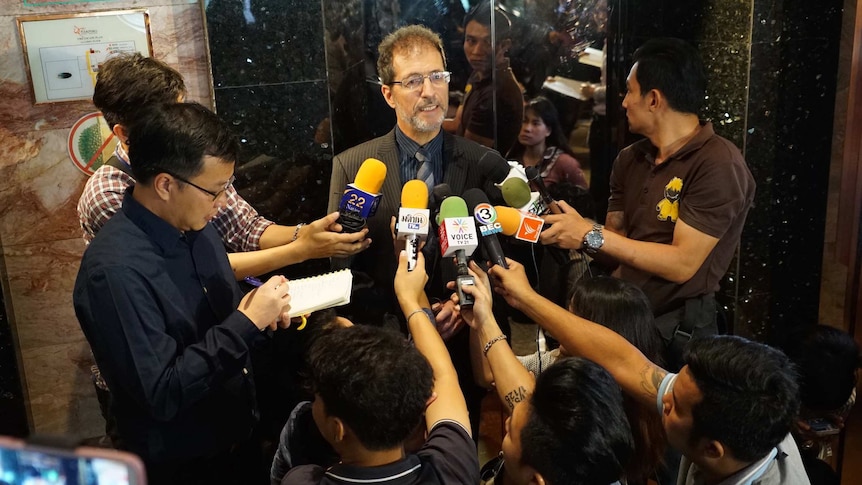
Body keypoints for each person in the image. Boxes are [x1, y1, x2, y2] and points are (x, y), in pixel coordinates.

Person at [73, 102, 293, 484]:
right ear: (165, 184)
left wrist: (262, 313)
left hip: (238, 438)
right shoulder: (114, 272)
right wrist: (246, 322)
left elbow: (220, 318)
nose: (223, 202)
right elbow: (162, 391)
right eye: (216, 191)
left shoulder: (196, 225)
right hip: (180, 462)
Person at [490, 258, 811, 485]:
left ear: (712, 450)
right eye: (674, 384)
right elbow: (624, 361)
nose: (664, 397)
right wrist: (525, 297)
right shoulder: (746, 417)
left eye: (675, 406)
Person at [539, 38, 756, 370]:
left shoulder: (718, 163)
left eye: (629, 91)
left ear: (654, 99)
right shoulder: (630, 158)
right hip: (620, 321)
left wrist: (589, 235)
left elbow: (683, 263)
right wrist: (572, 228)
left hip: (675, 333)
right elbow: (614, 241)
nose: (623, 102)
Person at [79, 53, 370, 279]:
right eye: (168, 118)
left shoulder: (194, 160)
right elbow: (188, 271)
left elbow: (244, 229)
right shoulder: (108, 194)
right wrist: (299, 250)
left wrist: (305, 234)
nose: (183, 124)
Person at [281, 251, 478, 484]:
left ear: (338, 428)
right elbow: (443, 374)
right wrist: (409, 298)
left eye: (317, 397)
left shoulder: (301, 480)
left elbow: (442, 375)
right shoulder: (453, 467)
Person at [453, 262, 633, 485]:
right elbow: (498, 381)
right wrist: (484, 320)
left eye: (570, 321)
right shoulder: (563, 366)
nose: (507, 423)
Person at [444, 3, 525, 154]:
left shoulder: (496, 94)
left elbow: (468, 156)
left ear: (504, 45)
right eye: (471, 41)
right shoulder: (480, 72)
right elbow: (457, 124)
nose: (477, 51)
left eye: (488, 42)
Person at [506, 96, 588, 189]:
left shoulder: (564, 163)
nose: (527, 128)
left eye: (535, 123)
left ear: (548, 130)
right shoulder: (512, 160)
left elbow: (583, 199)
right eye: (524, 121)